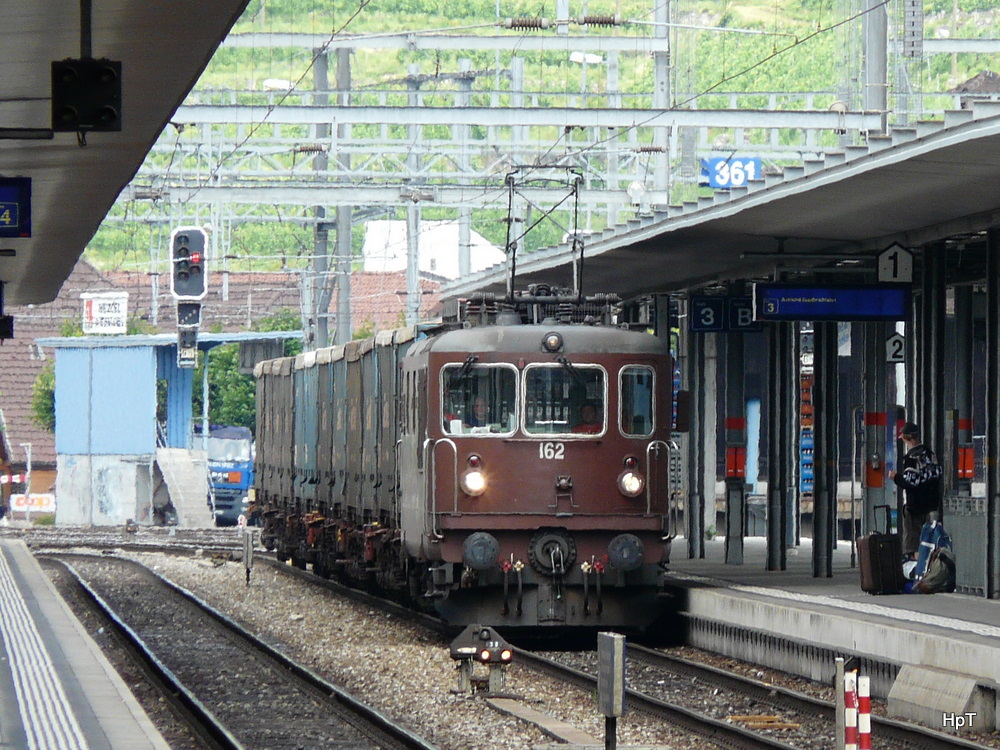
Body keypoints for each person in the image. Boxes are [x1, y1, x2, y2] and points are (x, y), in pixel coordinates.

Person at [889, 422, 942, 561]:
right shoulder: (930, 454)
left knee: (914, 546)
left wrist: (896, 477)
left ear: (907, 438)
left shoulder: (911, 458)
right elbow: (937, 474)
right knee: (930, 542)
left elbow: (911, 482)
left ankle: (917, 569)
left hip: (915, 508)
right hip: (932, 505)